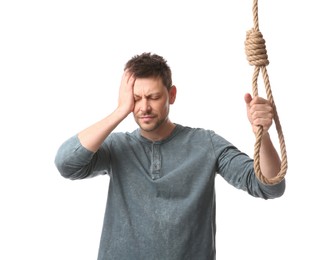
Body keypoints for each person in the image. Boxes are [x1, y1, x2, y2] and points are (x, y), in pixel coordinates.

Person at [54, 52, 285, 260]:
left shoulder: (205, 144)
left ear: (171, 95)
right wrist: (120, 111)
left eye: (153, 97)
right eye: (136, 99)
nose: (143, 107)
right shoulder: (117, 146)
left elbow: (270, 185)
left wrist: (261, 135)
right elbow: (66, 164)